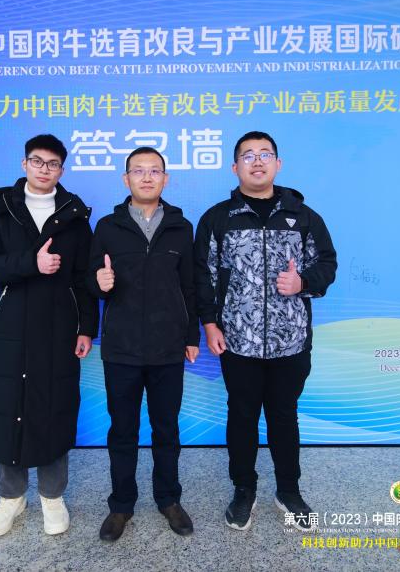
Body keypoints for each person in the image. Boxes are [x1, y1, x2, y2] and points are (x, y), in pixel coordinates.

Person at [193, 131, 337, 532]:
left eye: (265, 154)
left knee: (284, 416)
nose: (257, 161)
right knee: (241, 416)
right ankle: (244, 489)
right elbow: (202, 275)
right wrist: (209, 323)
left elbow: (327, 264)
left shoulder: (303, 216)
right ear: (234, 167)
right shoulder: (218, 218)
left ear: (278, 163)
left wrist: (303, 282)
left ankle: (288, 490)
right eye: (248, 155)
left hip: (291, 342)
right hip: (237, 341)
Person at [0, 134, 98, 537]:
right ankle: (11, 497)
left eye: (53, 163)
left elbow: (84, 279)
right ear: (24, 164)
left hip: (58, 328)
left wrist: (86, 328)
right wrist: (31, 262)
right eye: (37, 161)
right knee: (8, 406)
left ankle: (52, 496)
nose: (45, 169)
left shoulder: (75, 215)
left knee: (53, 406)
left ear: (62, 169)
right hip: (7, 327)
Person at [87, 146, 199, 541]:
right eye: (138, 170)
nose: (147, 177)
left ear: (165, 179)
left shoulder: (182, 227)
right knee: (123, 431)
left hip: (168, 347)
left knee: (166, 430)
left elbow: (190, 286)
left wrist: (191, 336)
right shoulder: (107, 227)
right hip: (122, 348)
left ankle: (169, 499)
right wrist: (98, 283)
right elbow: (89, 281)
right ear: (126, 179)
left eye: (155, 171)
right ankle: (121, 505)